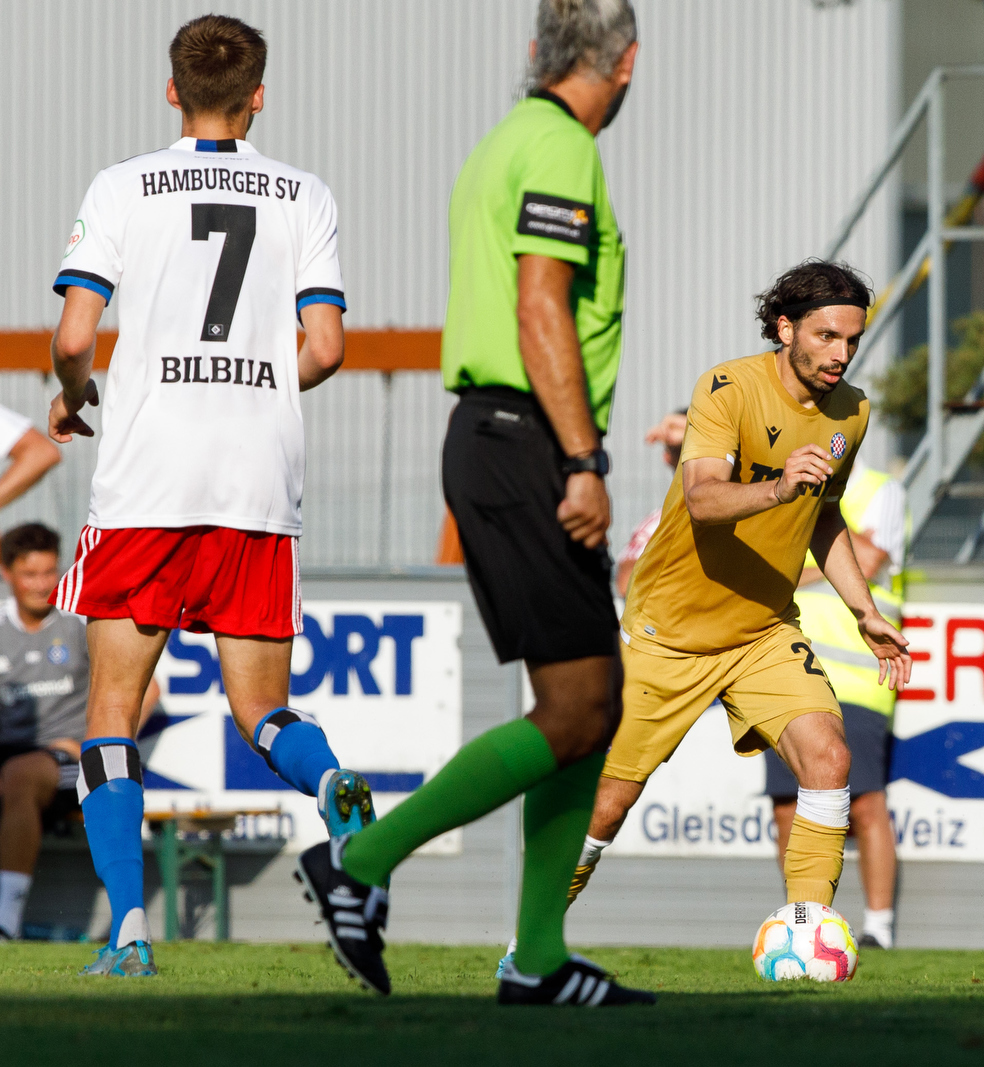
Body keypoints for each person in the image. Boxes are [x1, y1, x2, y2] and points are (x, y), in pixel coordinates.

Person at [297, 0, 653, 1006]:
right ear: (626, 62)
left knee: (586, 706)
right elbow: (541, 301)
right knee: (582, 706)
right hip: (523, 440)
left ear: (535, 51)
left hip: (500, 437)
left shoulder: (509, 138)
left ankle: (537, 957)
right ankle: (359, 861)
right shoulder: (560, 147)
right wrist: (582, 456)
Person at [48, 15, 367, 980]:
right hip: (255, 482)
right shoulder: (303, 194)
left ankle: (130, 929)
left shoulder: (123, 185)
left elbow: (72, 337)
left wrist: (73, 398)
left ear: (171, 89)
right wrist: (260, 387)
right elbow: (327, 347)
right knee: (261, 712)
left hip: (147, 478)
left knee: (111, 708)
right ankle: (333, 779)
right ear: (258, 94)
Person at [562, 260, 913, 922]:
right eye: (827, 336)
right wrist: (779, 486)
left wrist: (864, 611)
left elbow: (825, 516)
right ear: (785, 327)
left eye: (853, 340)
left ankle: (807, 936)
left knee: (829, 757)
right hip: (670, 633)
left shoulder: (853, 411)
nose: (841, 354)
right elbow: (702, 497)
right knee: (607, 803)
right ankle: (533, 939)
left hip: (762, 632)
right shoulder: (727, 388)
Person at [767, 464, 906, 949]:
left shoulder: (879, 488)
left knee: (865, 803)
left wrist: (787, 571)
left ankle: (878, 929)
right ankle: (802, 921)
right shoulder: (785, 481)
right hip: (787, 669)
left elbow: (865, 559)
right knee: (787, 806)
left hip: (857, 678)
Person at [0, 524, 161, 941]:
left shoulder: (78, 623)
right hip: (10, 757)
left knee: (18, 775)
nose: (41, 585)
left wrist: (95, 740)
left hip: (66, 762)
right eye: (29, 575)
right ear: (6, 573)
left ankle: (5, 922)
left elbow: (151, 690)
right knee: (13, 772)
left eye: (49, 573)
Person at [614, 410, 687, 595]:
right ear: (667, 458)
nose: (693, 459)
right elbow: (626, 585)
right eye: (683, 449)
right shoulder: (654, 527)